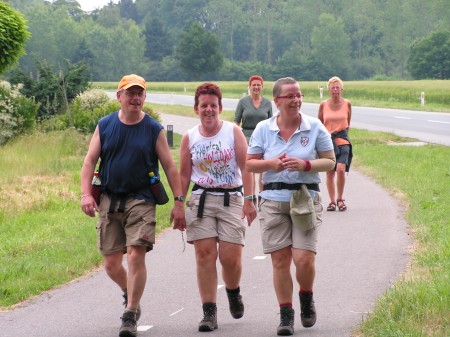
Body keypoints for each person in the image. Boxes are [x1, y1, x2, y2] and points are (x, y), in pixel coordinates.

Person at [80, 74, 186, 337]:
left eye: (140, 94)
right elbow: (89, 161)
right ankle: (129, 291)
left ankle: (130, 313)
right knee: (111, 264)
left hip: (142, 199)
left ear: (144, 98)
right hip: (109, 199)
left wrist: (179, 202)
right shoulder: (104, 125)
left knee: (136, 254)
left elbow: (170, 166)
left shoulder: (153, 128)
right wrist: (86, 194)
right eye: (130, 93)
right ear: (119, 96)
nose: (135, 98)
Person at [246, 77, 335, 336]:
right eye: (290, 96)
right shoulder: (264, 128)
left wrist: (306, 165)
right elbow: (250, 163)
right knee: (280, 261)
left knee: (304, 259)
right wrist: (271, 164)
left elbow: (329, 161)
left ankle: (306, 298)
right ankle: (286, 314)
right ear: (277, 101)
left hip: (304, 199)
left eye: (299, 95)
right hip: (273, 200)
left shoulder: (315, 127)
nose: (296, 100)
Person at [179, 82, 257, 332]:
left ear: (220, 108)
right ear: (196, 109)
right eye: (204, 106)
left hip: (231, 198)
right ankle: (209, 311)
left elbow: (246, 166)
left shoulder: (233, 131)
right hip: (200, 199)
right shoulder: (189, 137)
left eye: (213, 105)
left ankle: (233, 292)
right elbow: (183, 175)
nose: (209, 110)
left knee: (230, 258)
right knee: (204, 255)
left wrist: (249, 199)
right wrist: (178, 204)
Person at [234, 75, 273, 203]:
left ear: (262, 87)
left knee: (263, 167)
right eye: (253, 85)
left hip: (263, 137)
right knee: (249, 166)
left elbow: (272, 123)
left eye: (258, 85)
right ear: (249, 86)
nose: (256, 87)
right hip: (246, 136)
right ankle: (251, 195)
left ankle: (263, 194)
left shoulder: (267, 103)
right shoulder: (243, 102)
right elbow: (236, 122)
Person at [318, 76, 353, 212]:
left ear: (341, 89)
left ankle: (340, 199)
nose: (335, 90)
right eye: (333, 88)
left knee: (340, 169)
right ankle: (332, 201)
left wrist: (340, 130)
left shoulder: (347, 104)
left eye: (337, 87)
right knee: (330, 172)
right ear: (329, 90)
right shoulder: (323, 105)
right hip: (328, 141)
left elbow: (348, 122)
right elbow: (319, 123)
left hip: (343, 140)